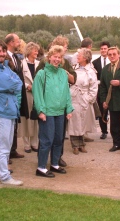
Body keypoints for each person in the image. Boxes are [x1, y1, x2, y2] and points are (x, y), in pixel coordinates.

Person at [0, 40, 24, 186]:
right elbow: (11, 84)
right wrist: (11, 83)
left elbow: (18, 83)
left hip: (9, 110)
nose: (1, 54)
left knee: (5, 145)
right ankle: (5, 177)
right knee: (2, 146)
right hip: (1, 112)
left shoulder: (5, 67)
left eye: (3, 51)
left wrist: (12, 83)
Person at [33, 45, 74, 178]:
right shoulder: (42, 73)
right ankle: (41, 167)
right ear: (49, 57)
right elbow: (37, 93)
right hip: (47, 112)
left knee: (58, 139)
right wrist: (41, 111)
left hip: (60, 112)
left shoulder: (63, 73)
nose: (57, 59)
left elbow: (67, 92)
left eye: (59, 57)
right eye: (55, 56)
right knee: (46, 140)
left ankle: (55, 163)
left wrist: (68, 108)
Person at [67, 48, 98, 154]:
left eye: (79, 55)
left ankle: (82, 143)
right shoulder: (73, 68)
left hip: (84, 98)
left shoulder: (91, 71)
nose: (77, 56)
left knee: (82, 121)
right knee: (74, 121)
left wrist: (88, 98)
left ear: (85, 58)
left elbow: (94, 87)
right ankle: (75, 145)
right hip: (74, 97)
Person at [4, 33, 28, 160]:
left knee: (14, 123)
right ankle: (6, 153)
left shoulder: (15, 57)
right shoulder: (4, 57)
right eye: (17, 41)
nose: (19, 43)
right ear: (11, 42)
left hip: (17, 95)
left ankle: (13, 150)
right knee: (8, 124)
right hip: (9, 95)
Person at [19, 42, 41, 153]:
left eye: (37, 50)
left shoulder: (39, 64)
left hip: (37, 94)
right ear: (29, 51)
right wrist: (28, 86)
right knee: (26, 119)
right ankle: (26, 143)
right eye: (35, 50)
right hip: (26, 94)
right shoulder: (22, 64)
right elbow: (19, 79)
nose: (37, 52)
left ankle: (34, 143)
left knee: (36, 118)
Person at [92, 41, 110, 140]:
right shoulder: (95, 62)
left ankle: (115, 130)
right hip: (100, 90)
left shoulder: (113, 60)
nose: (103, 50)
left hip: (112, 89)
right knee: (102, 111)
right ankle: (104, 131)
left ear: (108, 49)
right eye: (102, 49)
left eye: (105, 48)